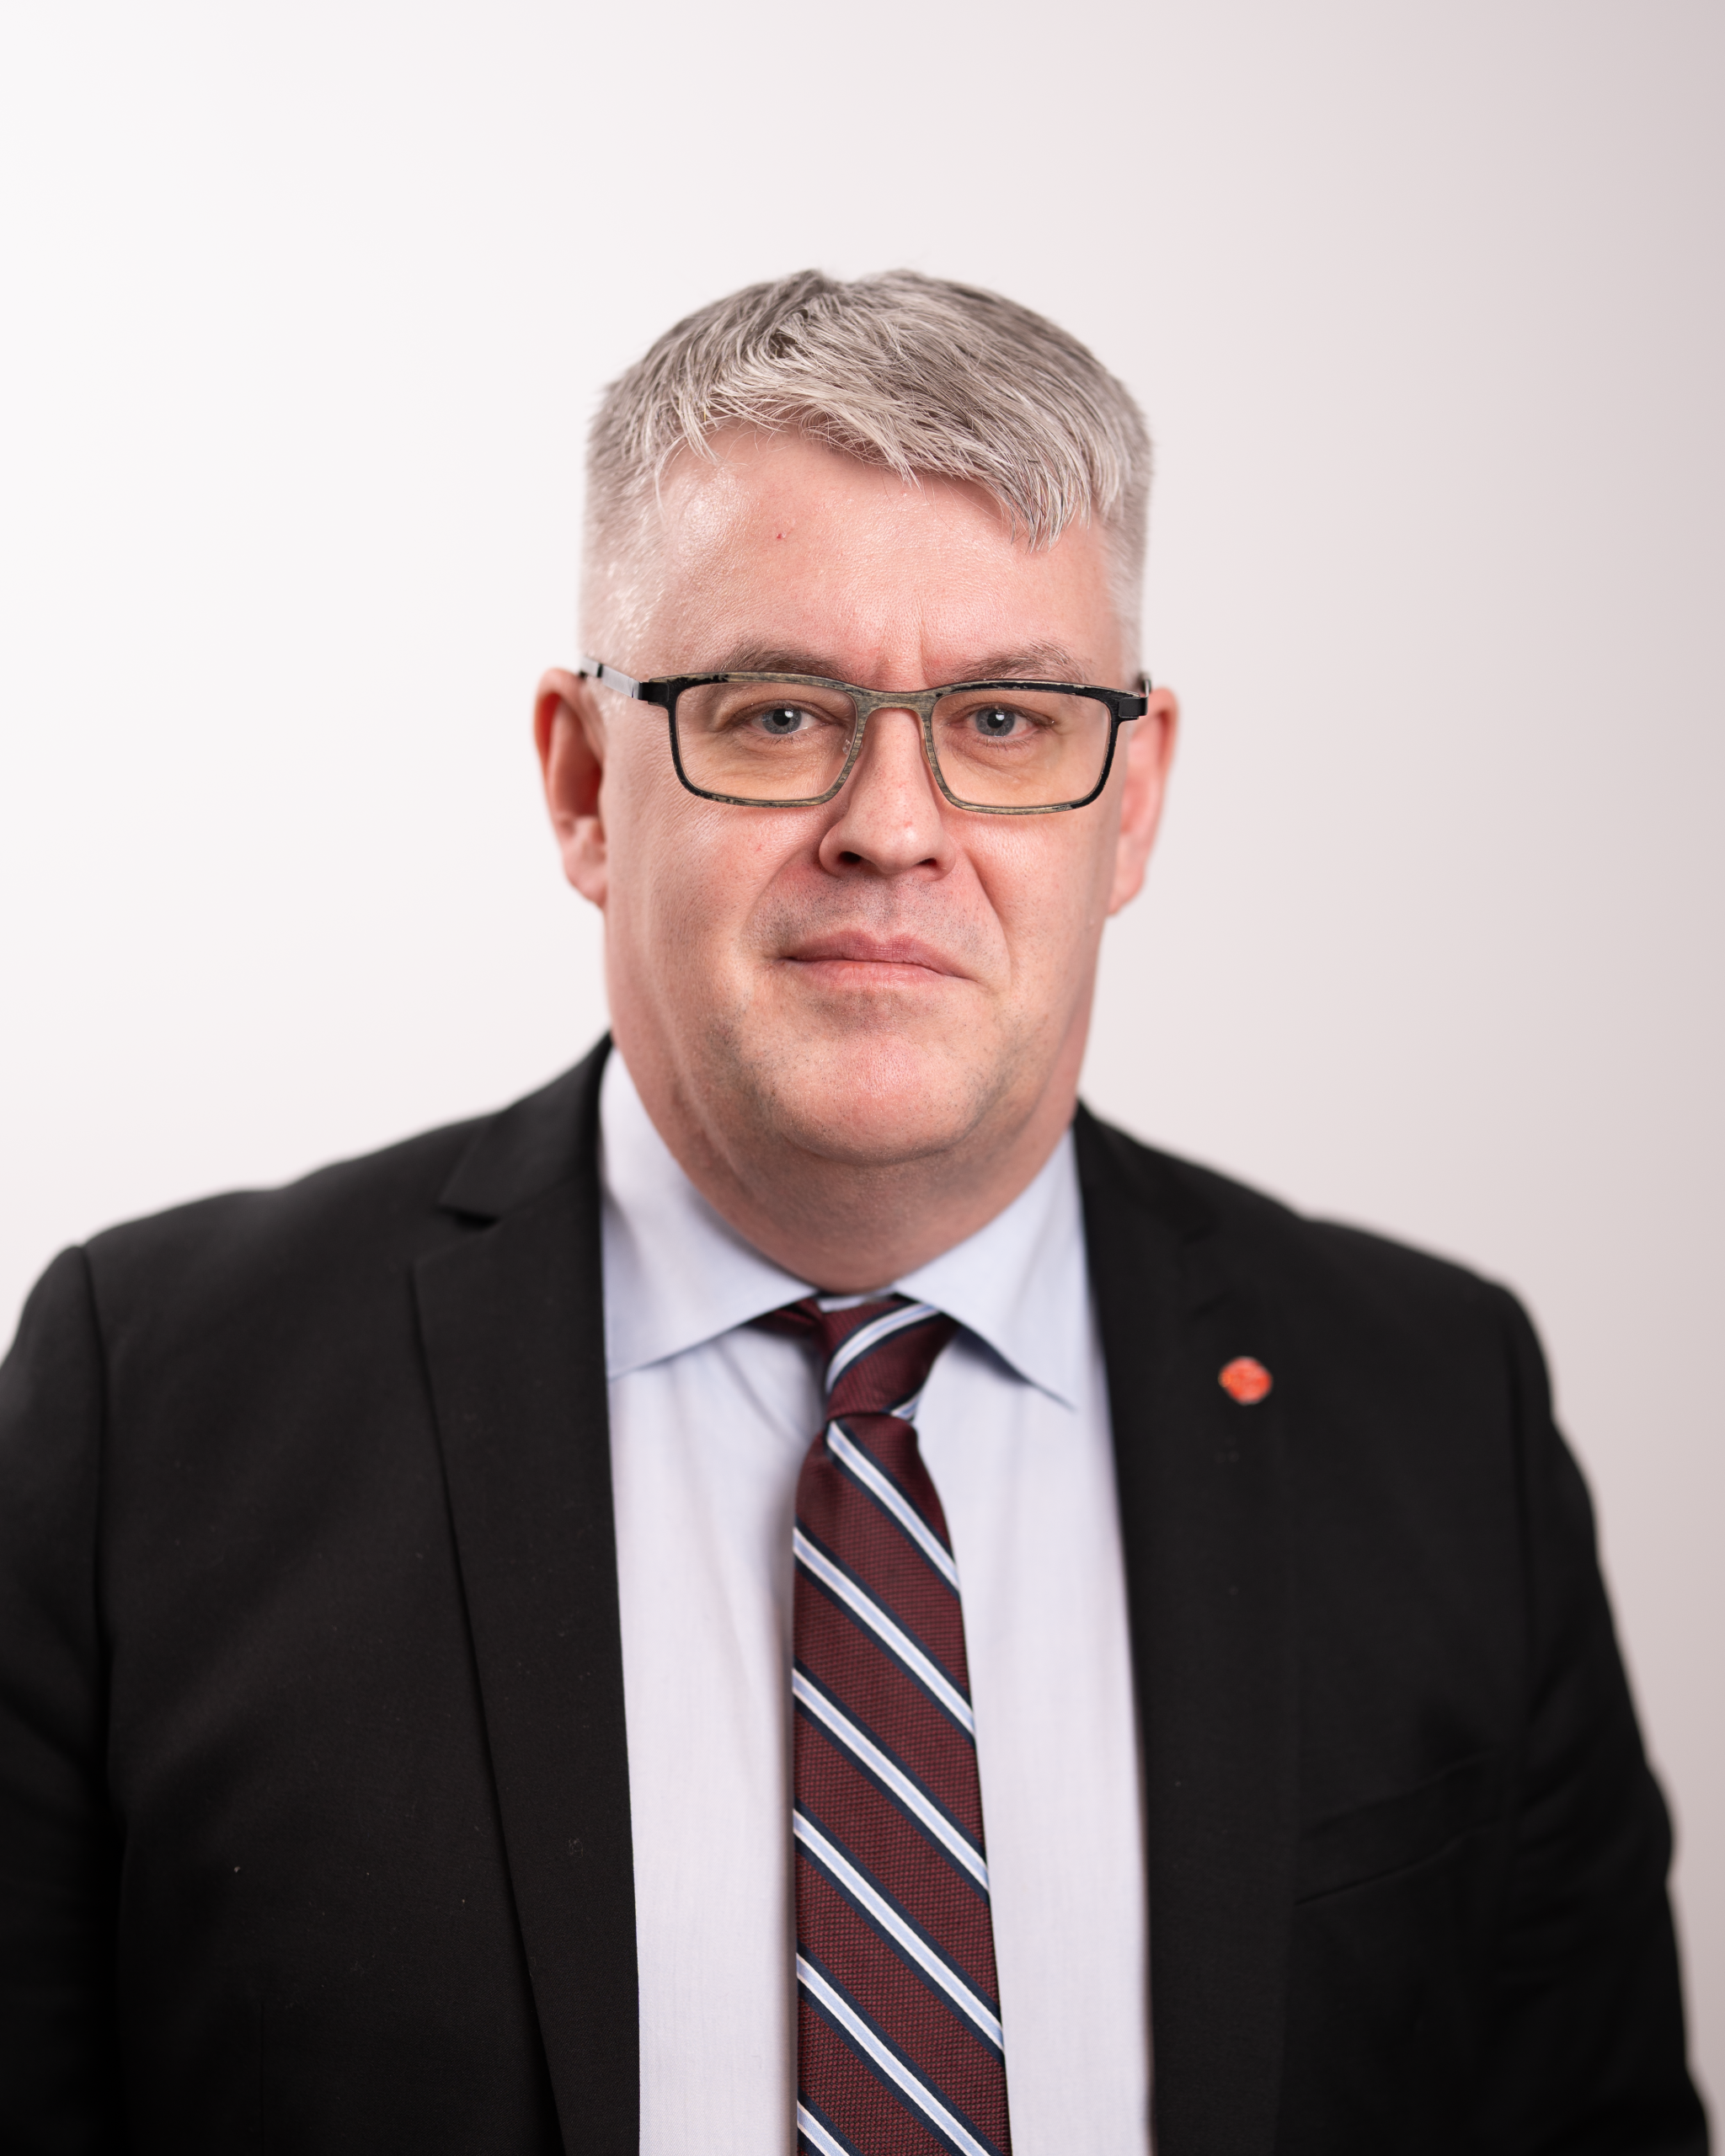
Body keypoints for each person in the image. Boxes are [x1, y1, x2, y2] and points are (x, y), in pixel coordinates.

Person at [0, 270, 1706, 2156]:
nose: (892, 825)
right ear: (582, 781)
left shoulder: (1436, 1409)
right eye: (777, 711)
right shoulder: (152, 1405)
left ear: (1132, 802)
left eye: (1006, 718)